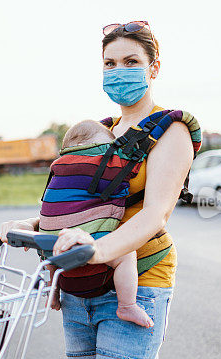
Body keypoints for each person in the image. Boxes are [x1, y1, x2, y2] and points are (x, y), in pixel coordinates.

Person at [0, 20, 201, 359]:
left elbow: (154, 214)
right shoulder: (97, 131)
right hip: (82, 284)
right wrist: (32, 223)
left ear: (154, 67)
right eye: (110, 62)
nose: (118, 70)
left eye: (131, 61)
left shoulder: (170, 130)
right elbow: (77, 207)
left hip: (137, 281)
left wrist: (96, 249)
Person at [40, 119, 153, 328]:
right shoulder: (95, 165)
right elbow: (125, 170)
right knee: (126, 253)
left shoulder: (59, 167)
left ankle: (52, 292)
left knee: (54, 259)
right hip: (81, 240)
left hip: (52, 242)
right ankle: (127, 305)